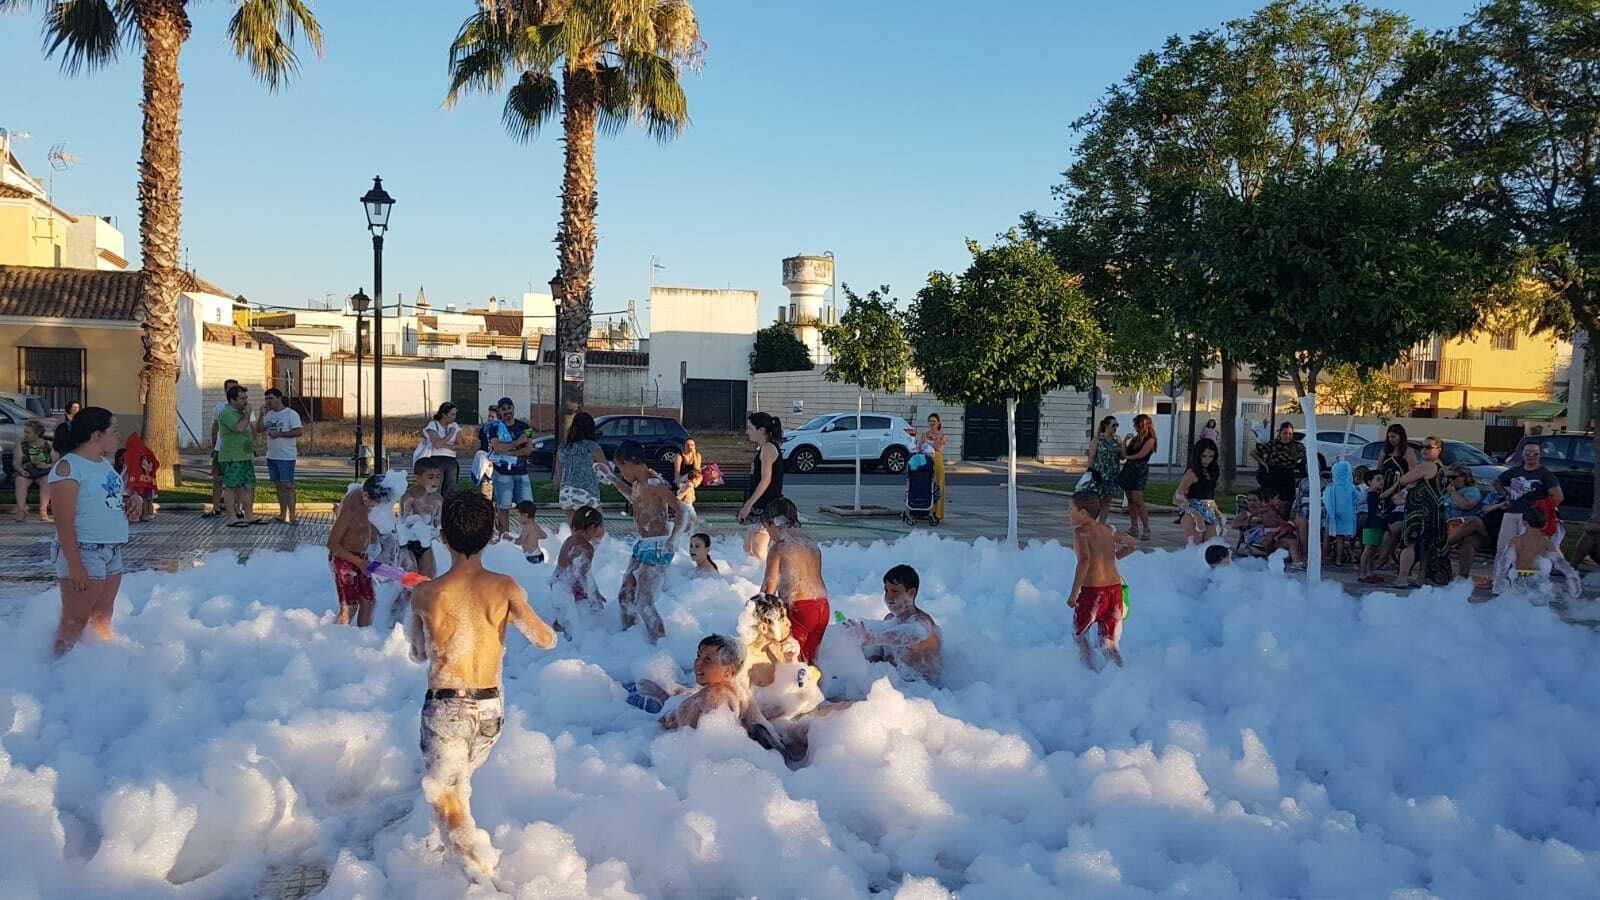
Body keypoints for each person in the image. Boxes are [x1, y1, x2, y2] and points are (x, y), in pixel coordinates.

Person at [404, 491, 557, 884]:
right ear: (491, 536)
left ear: (442, 537)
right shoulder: (505, 587)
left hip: (445, 707)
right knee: (456, 791)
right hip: (490, 711)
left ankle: (480, 881)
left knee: (448, 797)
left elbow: (420, 653)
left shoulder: (426, 593)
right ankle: (459, 865)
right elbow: (544, 640)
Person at [48, 407, 135, 655]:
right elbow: (64, 521)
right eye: (114, 430)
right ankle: (58, 669)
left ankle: (100, 664)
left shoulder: (103, 465)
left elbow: (105, 500)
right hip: (85, 550)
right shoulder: (68, 468)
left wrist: (130, 502)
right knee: (75, 619)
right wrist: (75, 565)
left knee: (102, 615)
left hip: (111, 549)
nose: (119, 435)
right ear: (96, 435)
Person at [615, 440, 685, 643]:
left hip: (658, 546)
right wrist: (611, 478)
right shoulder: (638, 485)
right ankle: (628, 641)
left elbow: (681, 510)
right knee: (625, 596)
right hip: (643, 546)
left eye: (620, 468)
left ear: (629, 462)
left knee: (644, 601)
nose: (622, 473)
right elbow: (634, 498)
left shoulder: (656, 483)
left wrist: (674, 538)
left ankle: (660, 647)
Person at [1066, 492, 1136, 670]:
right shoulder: (1108, 530)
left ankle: (1088, 672)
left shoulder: (1080, 533)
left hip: (1093, 594)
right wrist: (1116, 556)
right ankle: (1121, 676)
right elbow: (1132, 543)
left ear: (1083, 513)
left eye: (1070, 509)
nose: (1068, 513)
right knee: (1109, 643)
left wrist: (1073, 595)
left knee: (1079, 634)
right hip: (1115, 593)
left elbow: (1084, 561)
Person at [841, 564, 943, 684]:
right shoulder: (890, 619)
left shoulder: (922, 622)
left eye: (895, 591)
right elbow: (879, 656)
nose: (889, 596)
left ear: (911, 593)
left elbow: (910, 635)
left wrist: (872, 638)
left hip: (922, 690)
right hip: (896, 687)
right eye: (886, 590)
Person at [759, 496, 829, 664]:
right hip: (822, 607)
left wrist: (754, 616)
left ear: (772, 523)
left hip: (800, 610)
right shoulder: (810, 543)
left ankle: (792, 689)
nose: (768, 535)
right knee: (810, 660)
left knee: (790, 660)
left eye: (766, 529)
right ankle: (817, 688)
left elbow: (769, 591)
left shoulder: (779, 548)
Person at [1384, 436, 1452, 588]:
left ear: (1439, 450)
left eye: (1428, 447)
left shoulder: (1427, 466)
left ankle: (1402, 578)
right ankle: (1421, 578)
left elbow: (1403, 480)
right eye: (1422, 447)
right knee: (1426, 546)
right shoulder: (1441, 467)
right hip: (1435, 513)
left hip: (1419, 512)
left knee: (1410, 544)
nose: (1424, 450)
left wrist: (1386, 494)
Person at [327, 475, 392, 627]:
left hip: (361, 557)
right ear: (365, 495)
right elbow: (332, 544)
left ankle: (362, 641)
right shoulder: (351, 509)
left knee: (368, 602)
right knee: (349, 606)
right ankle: (337, 642)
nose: (376, 507)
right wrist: (359, 562)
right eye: (374, 503)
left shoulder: (368, 499)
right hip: (343, 558)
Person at [1493, 506, 1580, 600]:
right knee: (1551, 591)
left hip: (1518, 580)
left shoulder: (1515, 541)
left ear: (1523, 523)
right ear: (1545, 525)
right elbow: (1561, 563)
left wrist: (1497, 584)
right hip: (1538, 581)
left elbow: (1503, 562)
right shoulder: (1546, 543)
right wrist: (1573, 579)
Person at [1496, 441, 1563, 560]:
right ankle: (1498, 577)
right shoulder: (1515, 471)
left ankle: (1522, 576)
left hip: (1529, 518)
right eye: (1527, 453)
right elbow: (1497, 482)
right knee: (1503, 548)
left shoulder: (1545, 474)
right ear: (1522, 454)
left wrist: (1540, 511)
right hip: (1511, 513)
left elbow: (1558, 497)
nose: (1531, 456)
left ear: (1540, 455)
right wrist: (1505, 495)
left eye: (1535, 454)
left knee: (1525, 550)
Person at [740, 412, 786, 560]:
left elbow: (766, 480)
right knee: (748, 548)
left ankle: (770, 580)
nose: (747, 432)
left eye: (750, 428)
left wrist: (748, 504)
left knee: (759, 551)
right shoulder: (764, 448)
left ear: (761, 430)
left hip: (767, 507)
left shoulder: (768, 449)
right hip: (760, 506)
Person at [485, 398, 533, 534]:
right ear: (499, 410)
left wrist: (509, 451)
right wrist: (517, 442)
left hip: (522, 472)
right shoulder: (494, 427)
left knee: (527, 507)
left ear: (513, 408)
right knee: (503, 507)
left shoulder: (526, 427)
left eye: (509, 408)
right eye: (503, 408)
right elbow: (497, 448)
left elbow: (529, 449)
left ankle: (528, 535)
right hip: (502, 474)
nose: (507, 411)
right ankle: (504, 536)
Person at [217, 384, 262, 527]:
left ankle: (249, 515)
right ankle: (232, 517)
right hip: (232, 457)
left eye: (246, 398)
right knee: (231, 486)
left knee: (248, 486)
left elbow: (251, 434)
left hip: (245, 457)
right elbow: (239, 428)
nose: (246, 402)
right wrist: (248, 415)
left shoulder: (242, 414)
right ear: (232, 400)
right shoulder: (227, 413)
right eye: (242, 398)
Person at [256, 388, 302, 525]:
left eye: (270, 398)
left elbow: (298, 431)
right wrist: (261, 415)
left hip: (286, 456)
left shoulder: (290, 414)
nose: (268, 401)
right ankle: (282, 514)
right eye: (266, 399)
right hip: (272, 455)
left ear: (279, 398)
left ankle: (292, 515)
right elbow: (259, 429)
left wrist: (280, 434)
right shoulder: (268, 415)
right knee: (278, 486)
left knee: (287, 485)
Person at [554, 411, 607, 527]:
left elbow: (557, 476)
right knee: (598, 532)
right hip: (586, 492)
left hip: (565, 494)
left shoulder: (563, 447)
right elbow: (606, 472)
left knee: (575, 533)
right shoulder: (592, 447)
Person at [399, 458, 447, 579]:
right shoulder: (409, 497)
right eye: (430, 477)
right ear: (418, 478)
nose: (435, 481)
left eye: (438, 477)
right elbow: (405, 523)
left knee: (427, 579)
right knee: (410, 580)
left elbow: (438, 526)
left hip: (427, 545)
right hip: (408, 544)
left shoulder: (438, 499)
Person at [554, 506, 606, 613]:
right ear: (592, 527)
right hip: (571, 589)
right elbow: (585, 575)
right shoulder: (587, 548)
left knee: (564, 618)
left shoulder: (569, 540)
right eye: (599, 527)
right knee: (596, 609)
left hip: (557, 584)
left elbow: (564, 568)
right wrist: (594, 594)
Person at [1173, 438, 1222, 544]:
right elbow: (1177, 497)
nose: (1207, 460)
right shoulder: (1192, 473)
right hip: (1191, 508)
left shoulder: (1213, 471)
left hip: (1208, 508)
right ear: (1198, 455)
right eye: (1204, 456)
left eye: (1211, 457)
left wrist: (1217, 513)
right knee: (1196, 542)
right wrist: (1194, 513)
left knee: (1210, 545)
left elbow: (1209, 495)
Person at [202, 382, 239, 518]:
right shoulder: (219, 407)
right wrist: (214, 447)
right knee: (217, 479)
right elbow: (215, 427)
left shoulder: (243, 407)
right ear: (225, 390)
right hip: (220, 449)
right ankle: (216, 507)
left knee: (236, 480)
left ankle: (237, 508)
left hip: (236, 451)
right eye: (229, 388)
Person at [1119, 414, 1157, 540]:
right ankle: (1134, 527)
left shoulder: (1150, 439)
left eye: (1136, 425)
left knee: (1138, 499)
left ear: (1143, 425)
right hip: (1129, 469)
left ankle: (1146, 528)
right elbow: (1124, 454)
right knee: (1129, 498)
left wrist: (1127, 458)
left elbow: (1141, 455)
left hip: (1140, 470)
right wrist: (1124, 442)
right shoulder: (1135, 439)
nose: (1134, 427)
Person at [418, 402, 468, 493]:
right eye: (452, 414)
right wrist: (450, 434)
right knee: (436, 488)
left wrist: (444, 445)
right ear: (444, 414)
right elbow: (436, 445)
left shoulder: (454, 426)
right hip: (436, 460)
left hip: (451, 460)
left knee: (450, 488)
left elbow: (461, 445)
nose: (454, 417)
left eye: (455, 414)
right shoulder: (433, 425)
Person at [14, 418, 56, 522]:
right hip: (26, 472)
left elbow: (56, 462)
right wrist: (21, 470)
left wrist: (47, 465)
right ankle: (21, 511)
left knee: (47, 481)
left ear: (36, 433)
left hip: (43, 472)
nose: (25, 434)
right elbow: (16, 463)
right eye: (25, 432)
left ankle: (43, 511)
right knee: (20, 481)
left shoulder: (48, 445)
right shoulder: (22, 444)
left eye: (28, 432)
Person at [1253, 420, 1305, 504]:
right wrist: (1264, 464)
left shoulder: (1297, 446)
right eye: (1285, 433)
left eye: (1290, 434)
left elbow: (1302, 459)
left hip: (1287, 477)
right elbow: (1254, 453)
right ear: (1280, 433)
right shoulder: (1273, 444)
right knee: (1270, 503)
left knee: (1286, 502)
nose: (1287, 436)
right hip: (1272, 476)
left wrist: (1297, 461)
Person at [1322, 459, 1361, 566]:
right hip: (1345, 516)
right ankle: (1338, 560)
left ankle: (1323, 559)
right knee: (1340, 538)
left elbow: (1326, 499)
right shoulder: (1351, 487)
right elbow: (1358, 498)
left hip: (1332, 515)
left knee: (1327, 537)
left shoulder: (1332, 487)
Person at [1087, 416, 1123, 522]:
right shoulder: (1098, 439)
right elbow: (1092, 456)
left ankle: (1101, 525)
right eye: (1113, 425)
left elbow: (1122, 456)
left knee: (1107, 501)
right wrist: (1091, 471)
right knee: (1096, 501)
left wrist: (1123, 443)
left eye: (1117, 425)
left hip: (1112, 474)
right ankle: (1091, 523)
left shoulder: (1116, 440)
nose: (1115, 428)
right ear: (1106, 426)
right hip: (1099, 474)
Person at [1358, 470, 1391, 583]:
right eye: (1377, 479)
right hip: (1371, 525)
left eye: (1382, 479)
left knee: (1372, 551)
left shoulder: (1377, 495)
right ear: (1369, 482)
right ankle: (1362, 574)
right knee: (1367, 550)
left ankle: (1370, 572)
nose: (1381, 482)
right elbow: (1374, 510)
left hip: (1377, 525)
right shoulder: (1372, 495)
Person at [122, 432, 159, 522]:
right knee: (147, 498)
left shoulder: (130, 453)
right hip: (148, 480)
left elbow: (127, 467)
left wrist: (121, 477)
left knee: (134, 499)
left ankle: (133, 515)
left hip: (134, 481)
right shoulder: (148, 453)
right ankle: (147, 514)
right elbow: (156, 464)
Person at [920, 413, 949, 521]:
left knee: (938, 486)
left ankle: (937, 512)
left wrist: (932, 440)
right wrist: (925, 442)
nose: (931, 423)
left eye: (934, 421)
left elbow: (939, 448)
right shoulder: (925, 434)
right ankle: (924, 509)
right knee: (926, 485)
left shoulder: (942, 435)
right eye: (930, 421)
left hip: (937, 461)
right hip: (927, 461)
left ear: (938, 423)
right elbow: (920, 446)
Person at [510, 500, 548, 564]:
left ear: (525, 515)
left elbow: (520, 541)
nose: (517, 518)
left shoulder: (526, 527)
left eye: (518, 515)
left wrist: (509, 538)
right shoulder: (536, 526)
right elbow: (544, 536)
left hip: (531, 557)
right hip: (539, 555)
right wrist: (533, 536)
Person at [474, 407, 498, 501]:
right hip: (484, 460)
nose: (490, 419)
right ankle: (483, 504)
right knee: (484, 483)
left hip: (497, 461)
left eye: (492, 417)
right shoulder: (484, 429)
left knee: (496, 485)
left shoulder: (501, 430)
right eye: (489, 416)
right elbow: (480, 443)